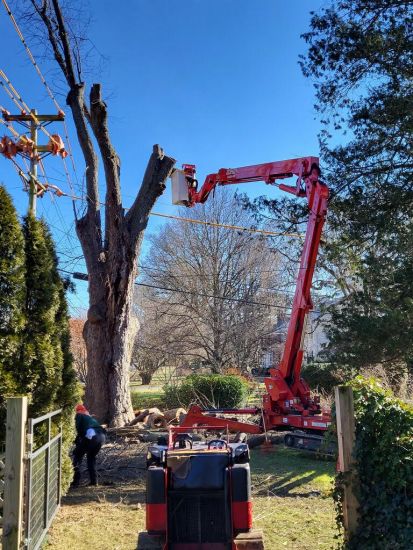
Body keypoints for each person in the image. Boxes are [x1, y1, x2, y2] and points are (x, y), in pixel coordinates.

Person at [72, 404, 106, 487]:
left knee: (77, 455)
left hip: (91, 435)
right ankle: (94, 481)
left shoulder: (79, 415)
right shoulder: (89, 417)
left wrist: (76, 441)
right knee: (91, 458)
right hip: (101, 436)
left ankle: (75, 482)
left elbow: (77, 429)